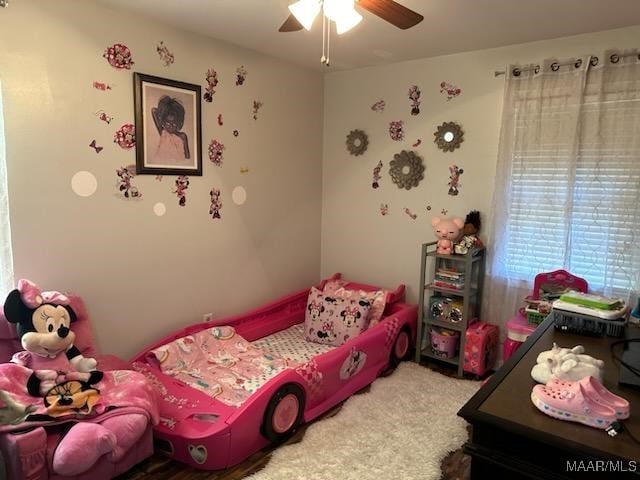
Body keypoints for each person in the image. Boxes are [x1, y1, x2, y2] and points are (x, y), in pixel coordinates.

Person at [151, 95, 190, 165]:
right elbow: (154, 110)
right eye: (167, 122)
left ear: (179, 122)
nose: (171, 125)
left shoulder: (182, 136)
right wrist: (164, 109)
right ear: (163, 122)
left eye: (174, 122)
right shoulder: (163, 132)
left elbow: (187, 157)